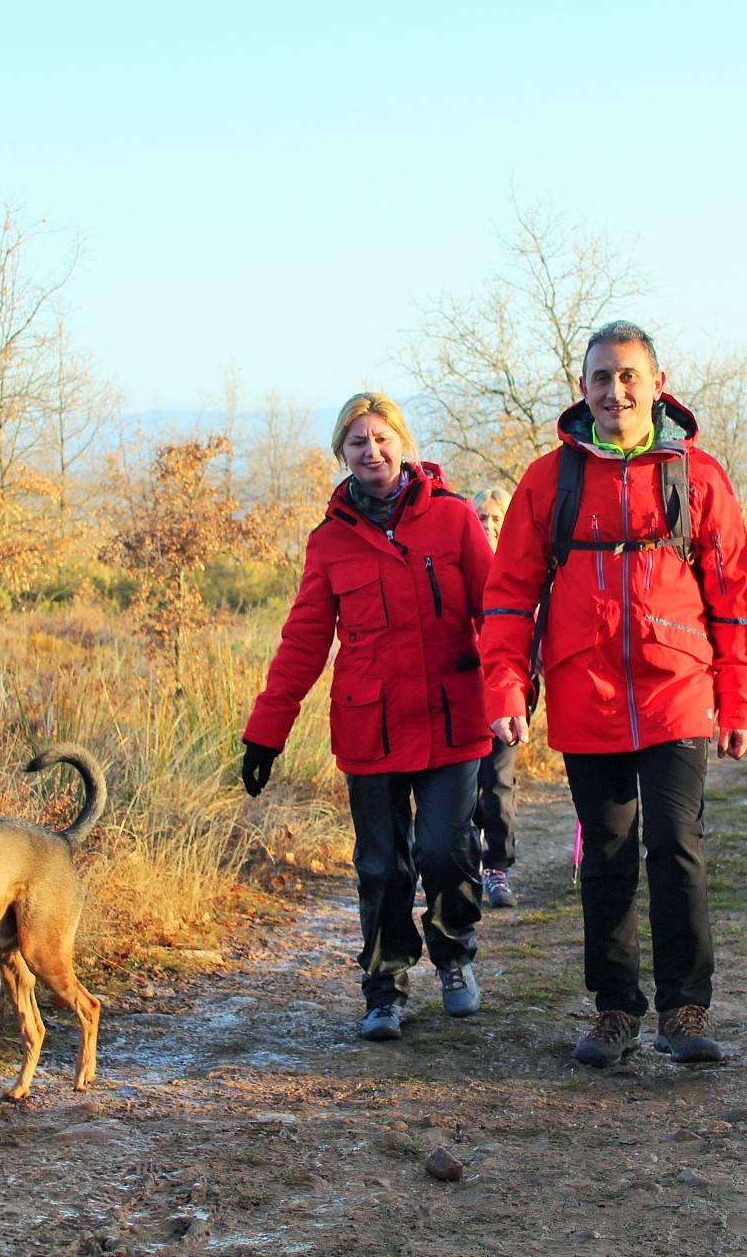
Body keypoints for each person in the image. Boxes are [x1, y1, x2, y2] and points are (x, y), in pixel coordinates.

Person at [481, 321, 747, 1068]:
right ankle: (614, 1010)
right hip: (586, 688)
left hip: (677, 689)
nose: (616, 391)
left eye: (630, 376)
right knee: (605, 855)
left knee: (676, 847)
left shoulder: (699, 476)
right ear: (583, 389)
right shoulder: (550, 479)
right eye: (602, 378)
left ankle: (685, 1008)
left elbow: (733, 595)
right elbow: (509, 597)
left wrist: (737, 699)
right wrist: (507, 687)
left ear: (658, 384)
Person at [241, 392, 494, 1042]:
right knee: (382, 866)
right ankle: (384, 986)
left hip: (453, 719)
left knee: (446, 849)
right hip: (370, 726)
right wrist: (265, 733)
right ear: (341, 454)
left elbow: (496, 614)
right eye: (358, 441)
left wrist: (516, 686)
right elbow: (302, 643)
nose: (372, 450)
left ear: (403, 444)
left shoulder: (456, 519)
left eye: (382, 438)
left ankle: (455, 952)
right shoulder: (330, 542)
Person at [471, 487, 520, 908]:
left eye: (496, 520)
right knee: (465, 786)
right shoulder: (459, 563)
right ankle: (465, 866)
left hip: (508, 691)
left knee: (499, 781)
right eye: (482, 519)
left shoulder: (521, 568)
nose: (488, 526)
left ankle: (498, 867)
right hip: (464, 691)